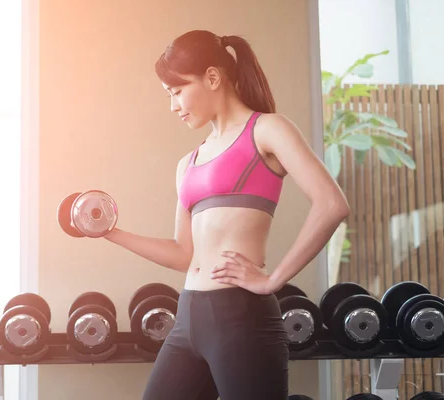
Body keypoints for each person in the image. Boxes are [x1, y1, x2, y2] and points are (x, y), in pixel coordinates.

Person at [104, 30, 350, 400]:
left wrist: (273, 280)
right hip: (188, 316)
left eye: (177, 91)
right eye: (168, 95)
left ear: (213, 77)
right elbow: (183, 253)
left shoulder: (267, 130)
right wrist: (110, 232)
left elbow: (332, 204)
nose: (173, 105)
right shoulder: (187, 163)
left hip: (241, 319)